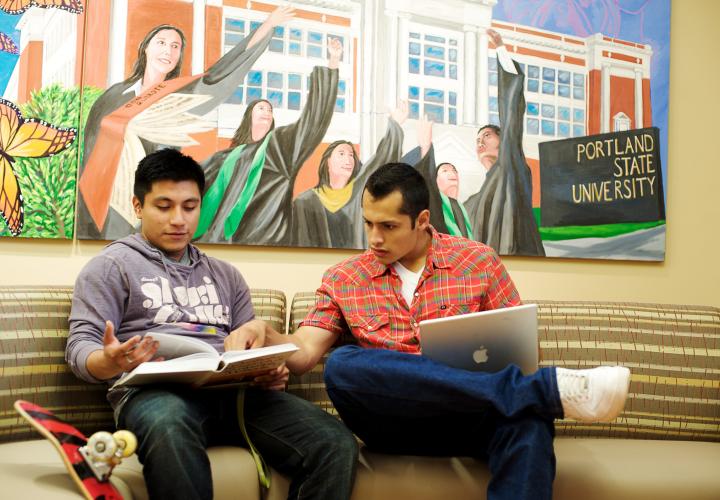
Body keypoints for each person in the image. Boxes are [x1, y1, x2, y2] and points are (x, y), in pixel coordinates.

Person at [236, 163, 631, 500]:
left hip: (472, 418)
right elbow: (305, 353)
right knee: (343, 364)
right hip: (392, 422)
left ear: (422, 220)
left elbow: (524, 349)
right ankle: (549, 391)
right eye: (369, 224)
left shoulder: (478, 261)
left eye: (389, 226)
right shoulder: (345, 278)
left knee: (528, 420)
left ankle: (531, 395)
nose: (374, 238)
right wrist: (264, 332)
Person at [66, 148, 358, 500]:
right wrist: (107, 361)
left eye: (190, 207)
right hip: (157, 397)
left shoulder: (225, 275)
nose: (179, 219)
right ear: (138, 206)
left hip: (235, 396)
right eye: (164, 206)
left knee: (333, 441)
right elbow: (80, 346)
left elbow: (249, 345)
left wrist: (267, 371)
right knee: (168, 425)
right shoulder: (112, 266)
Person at [77, 6, 295, 241]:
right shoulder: (113, 96)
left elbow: (222, 74)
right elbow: (88, 149)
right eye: (161, 42)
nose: (168, 51)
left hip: (148, 200)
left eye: (175, 46)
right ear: (146, 48)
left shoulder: (180, 94)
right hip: (102, 196)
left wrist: (267, 25)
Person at [194, 38, 343, 246]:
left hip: (266, 238)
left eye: (270, 110)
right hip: (223, 241)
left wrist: (333, 62)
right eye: (261, 108)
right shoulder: (224, 159)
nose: (267, 111)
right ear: (248, 117)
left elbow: (312, 121)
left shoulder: (280, 146)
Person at [463, 29, 545, 256]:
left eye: (487, 136)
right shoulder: (473, 202)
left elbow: (512, 113)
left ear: (503, 139)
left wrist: (500, 48)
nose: (480, 142)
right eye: (477, 139)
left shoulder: (512, 168)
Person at [292, 101, 408, 249]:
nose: (348, 160)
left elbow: (381, 161)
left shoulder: (361, 192)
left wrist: (395, 126)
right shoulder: (304, 201)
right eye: (341, 154)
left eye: (351, 155)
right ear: (327, 162)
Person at [402, 115, 473, 238]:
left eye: (454, 170)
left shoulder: (465, 208)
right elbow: (425, 179)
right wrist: (425, 148)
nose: (452, 173)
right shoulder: (434, 203)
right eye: (445, 170)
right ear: (435, 181)